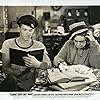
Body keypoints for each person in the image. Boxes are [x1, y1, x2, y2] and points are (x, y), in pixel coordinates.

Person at [0, 15, 51, 91]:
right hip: (12, 82)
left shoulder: (39, 45)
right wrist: (16, 71)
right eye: (25, 30)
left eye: (30, 30)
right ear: (19, 29)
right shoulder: (8, 44)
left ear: (34, 30)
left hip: (32, 83)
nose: (28, 33)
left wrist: (38, 64)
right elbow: (4, 68)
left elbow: (49, 65)